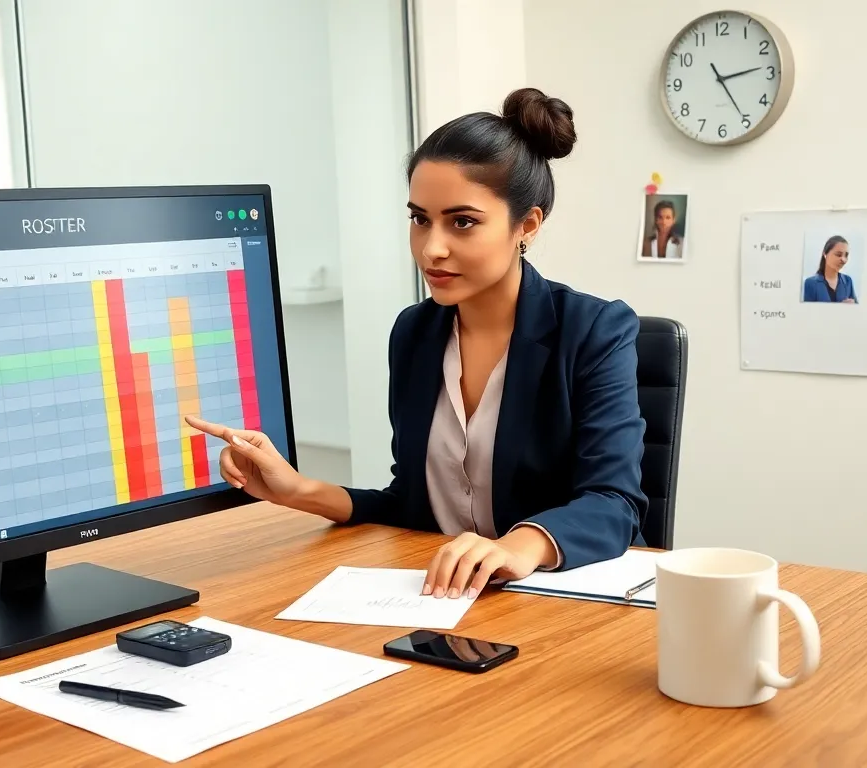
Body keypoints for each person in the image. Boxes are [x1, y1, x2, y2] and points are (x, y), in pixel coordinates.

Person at [187, 87, 646, 601]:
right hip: (444, 598)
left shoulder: (593, 330)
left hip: (561, 600)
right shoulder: (415, 333)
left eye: (463, 222)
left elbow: (613, 502)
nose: (432, 248)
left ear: (528, 226)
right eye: (419, 219)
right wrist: (298, 490)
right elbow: (411, 503)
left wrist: (521, 545)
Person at [801, 236, 857, 303]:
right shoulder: (810, 283)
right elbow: (807, 312)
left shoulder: (848, 281)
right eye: (838, 254)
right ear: (825, 254)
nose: (843, 260)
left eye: (846, 255)